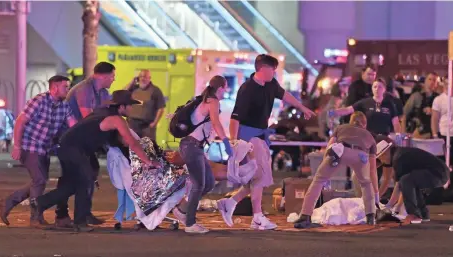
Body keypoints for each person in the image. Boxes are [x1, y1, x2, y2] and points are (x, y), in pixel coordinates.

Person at [30, 90, 161, 232]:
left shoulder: (101, 113)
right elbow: (131, 143)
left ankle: (41, 203)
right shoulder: (116, 120)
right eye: (129, 105)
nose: (132, 108)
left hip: (68, 147)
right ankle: (79, 222)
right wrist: (148, 161)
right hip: (74, 149)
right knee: (84, 182)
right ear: (121, 106)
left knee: (75, 184)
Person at [216, 54, 315, 230]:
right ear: (262, 69)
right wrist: (235, 142)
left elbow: (284, 95)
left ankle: (230, 203)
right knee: (259, 175)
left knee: (256, 177)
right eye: (272, 69)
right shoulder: (247, 89)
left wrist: (302, 107)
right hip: (248, 136)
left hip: (261, 135)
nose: (275, 72)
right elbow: (235, 118)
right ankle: (257, 217)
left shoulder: (271, 84)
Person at [0, 75, 76, 227]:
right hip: (30, 147)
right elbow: (20, 121)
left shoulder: (64, 106)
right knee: (39, 181)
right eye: (65, 87)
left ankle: (8, 202)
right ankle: (35, 218)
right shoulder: (39, 101)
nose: (68, 89)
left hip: (45, 149)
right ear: (54, 88)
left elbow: (73, 125)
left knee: (38, 182)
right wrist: (17, 146)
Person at [170, 75, 232, 234]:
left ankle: (182, 210)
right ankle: (190, 224)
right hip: (192, 146)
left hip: (194, 147)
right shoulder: (213, 101)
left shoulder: (205, 100)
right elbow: (216, 122)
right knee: (198, 185)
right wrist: (226, 142)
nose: (226, 91)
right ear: (220, 88)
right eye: (226, 88)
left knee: (209, 183)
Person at [294, 111, 379, 228]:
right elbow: (373, 170)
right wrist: (376, 194)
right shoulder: (369, 136)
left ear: (350, 121)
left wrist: (324, 169)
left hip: (340, 151)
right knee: (366, 184)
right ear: (364, 124)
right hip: (361, 156)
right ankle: (371, 217)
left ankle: (305, 216)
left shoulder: (341, 128)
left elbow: (330, 145)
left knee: (318, 180)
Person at [56, 62, 115, 227]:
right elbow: (88, 118)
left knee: (90, 173)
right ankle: (61, 214)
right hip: (70, 141)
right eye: (112, 76)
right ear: (103, 76)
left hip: (84, 142)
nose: (113, 80)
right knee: (73, 178)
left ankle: (83, 213)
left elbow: (107, 112)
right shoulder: (84, 89)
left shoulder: (103, 92)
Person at [376, 137, 451, 224]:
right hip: (441, 172)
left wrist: (390, 205)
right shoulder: (399, 153)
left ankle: (413, 214)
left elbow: (399, 185)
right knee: (412, 182)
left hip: (438, 174)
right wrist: (395, 206)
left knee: (406, 180)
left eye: (381, 158)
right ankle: (423, 214)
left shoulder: (398, 158)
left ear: (385, 154)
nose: (383, 162)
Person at [124, 69, 166, 141]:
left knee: (148, 148)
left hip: (147, 126)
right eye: (141, 76)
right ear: (138, 78)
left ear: (149, 78)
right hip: (132, 124)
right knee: (131, 147)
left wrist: (155, 123)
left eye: (145, 77)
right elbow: (122, 93)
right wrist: (131, 82)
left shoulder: (155, 90)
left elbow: (161, 108)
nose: (143, 79)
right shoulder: (133, 88)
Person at [402, 72, 439, 137]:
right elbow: (403, 115)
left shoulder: (439, 98)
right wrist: (403, 134)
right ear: (425, 81)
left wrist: (433, 112)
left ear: (436, 83)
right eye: (430, 79)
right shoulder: (416, 96)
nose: (432, 82)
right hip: (419, 132)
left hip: (435, 132)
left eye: (434, 80)